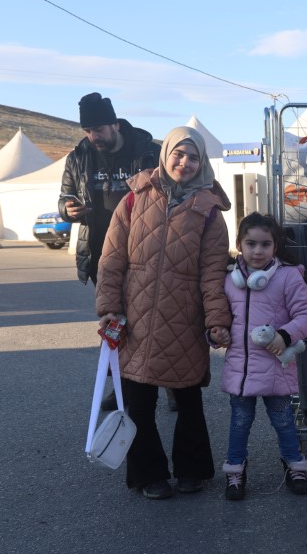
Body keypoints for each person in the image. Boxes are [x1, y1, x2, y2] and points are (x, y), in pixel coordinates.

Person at [95, 126, 232, 500]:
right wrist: (108, 308)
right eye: (179, 154)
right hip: (136, 318)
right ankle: (148, 474)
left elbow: (213, 273)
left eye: (193, 158)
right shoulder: (133, 199)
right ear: (166, 153)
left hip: (184, 318)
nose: (184, 163)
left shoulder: (209, 212)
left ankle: (192, 470)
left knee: (188, 399)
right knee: (139, 401)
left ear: (202, 163)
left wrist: (217, 320)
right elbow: (111, 260)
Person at [60, 93, 162, 411]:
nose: (94, 137)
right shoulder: (78, 157)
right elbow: (64, 196)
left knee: (154, 320)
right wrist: (67, 209)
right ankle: (122, 387)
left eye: (99, 129)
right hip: (100, 255)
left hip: (142, 251)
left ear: (115, 124)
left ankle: (168, 381)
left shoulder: (147, 151)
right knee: (114, 323)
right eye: (88, 131)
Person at [213, 213, 307, 501]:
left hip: (276, 368)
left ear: (275, 246)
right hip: (241, 370)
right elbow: (218, 319)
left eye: (265, 244)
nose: (257, 251)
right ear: (239, 245)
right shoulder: (229, 280)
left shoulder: (288, 277)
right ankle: (235, 471)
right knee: (239, 422)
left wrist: (284, 335)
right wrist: (216, 334)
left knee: (283, 421)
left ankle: (295, 466)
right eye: (251, 244)